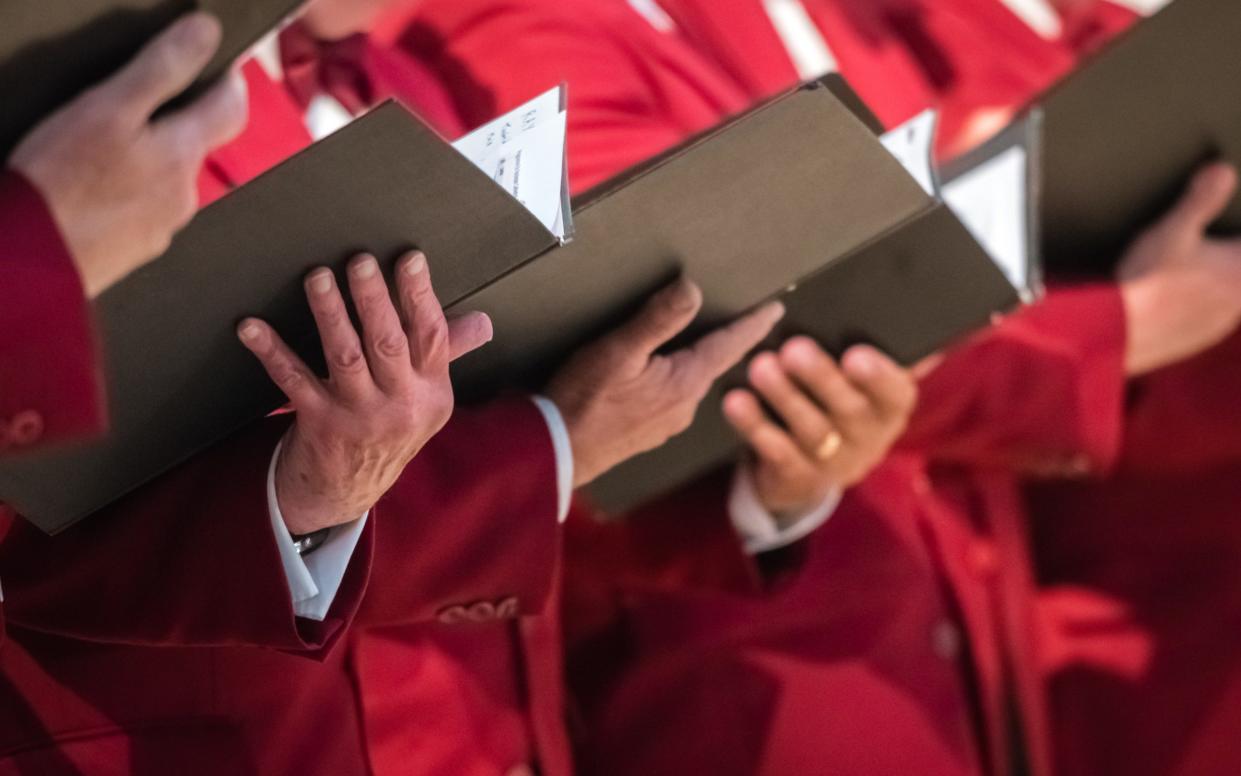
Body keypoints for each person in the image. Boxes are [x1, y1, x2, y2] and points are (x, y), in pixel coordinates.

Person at [393, 0, 1241, 773]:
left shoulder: (853, 21)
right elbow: (700, 316)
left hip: (952, 623)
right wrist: (1112, 327)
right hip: (747, 659)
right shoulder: (518, 23)